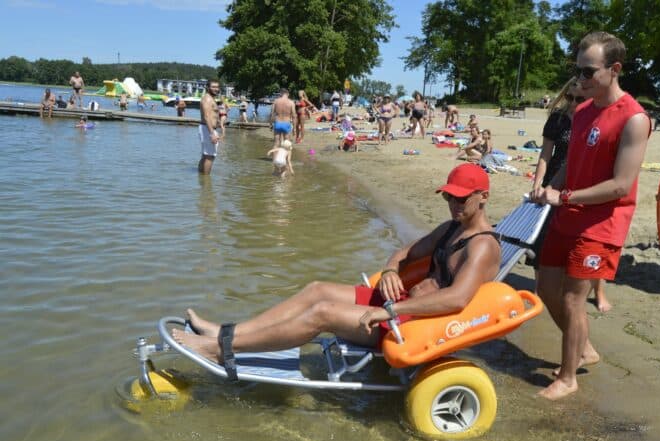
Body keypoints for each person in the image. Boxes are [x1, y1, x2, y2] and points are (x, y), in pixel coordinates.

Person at [170, 163, 501, 366]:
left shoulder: (482, 247)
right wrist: (388, 271)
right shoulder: (450, 229)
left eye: (461, 198)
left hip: (410, 324)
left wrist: (389, 312)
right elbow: (403, 253)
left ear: (482, 197)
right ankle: (227, 331)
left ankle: (219, 349)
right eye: (448, 197)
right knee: (317, 290)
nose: (453, 204)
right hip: (401, 307)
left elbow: (457, 299)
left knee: (322, 313)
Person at [532, 31, 651, 400]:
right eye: (577, 71)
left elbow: (620, 185)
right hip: (567, 212)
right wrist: (546, 191)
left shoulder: (634, 119)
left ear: (614, 69)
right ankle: (583, 348)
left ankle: (568, 378)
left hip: (602, 223)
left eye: (588, 72)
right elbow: (572, 163)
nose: (580, 80)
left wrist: (563, 195)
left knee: (572, 298)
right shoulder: (582, 112)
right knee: (545, 287)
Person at [528, 78, 612, 312]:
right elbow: (545, 155)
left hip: (583, 183)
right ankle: (539, 288)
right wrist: (538, 184)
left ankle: (599, 290)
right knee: (543, 236)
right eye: (570, 97)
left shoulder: (597, 119)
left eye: (580, 98)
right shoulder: (558, 119)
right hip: (554, 179)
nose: (574, 103)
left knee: (588, 237)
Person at [198, 79, 222, 174]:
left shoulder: (210, 98)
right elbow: (206, 116)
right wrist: (212, 133)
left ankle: (201, 177)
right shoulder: (207, 98)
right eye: (213, 87)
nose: (216, 89)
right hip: (208, 129)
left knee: (205, 155)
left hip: (207, 129)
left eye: (217, 87)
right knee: (210, 156)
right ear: (208, 87)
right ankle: (206, 182)